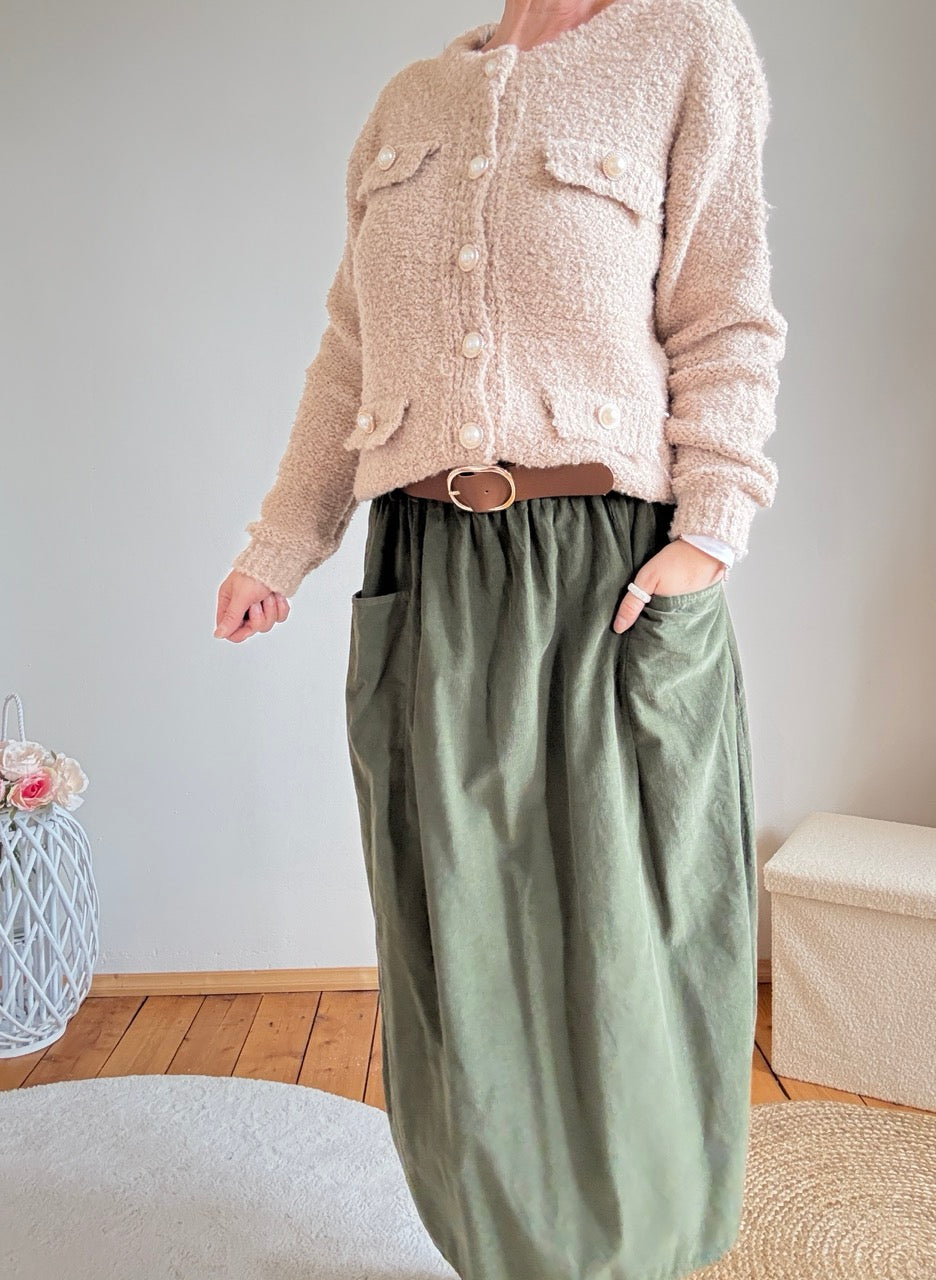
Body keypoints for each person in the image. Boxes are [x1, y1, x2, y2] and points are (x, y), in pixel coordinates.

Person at [214, 1, 788, 1277]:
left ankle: (633, 1251)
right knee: (464, 948)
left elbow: (724, 308)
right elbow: (350, 351)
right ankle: (499, 1251)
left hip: (607, 576)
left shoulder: (687, 41)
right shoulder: (411, 100)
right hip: (430, 572)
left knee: (621, 950)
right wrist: (283, 540)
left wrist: (710, 532)